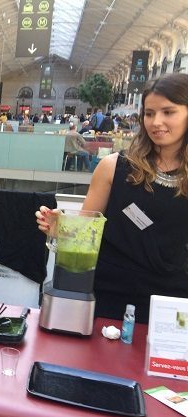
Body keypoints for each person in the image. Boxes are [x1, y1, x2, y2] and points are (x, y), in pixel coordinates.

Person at [36, 73, 188, 324]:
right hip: (107, 298)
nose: (156, 122)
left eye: (168, 112)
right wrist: (61, 230)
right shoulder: (113, 167)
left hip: (171, 306)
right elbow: (86, 233)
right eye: (149, 113)